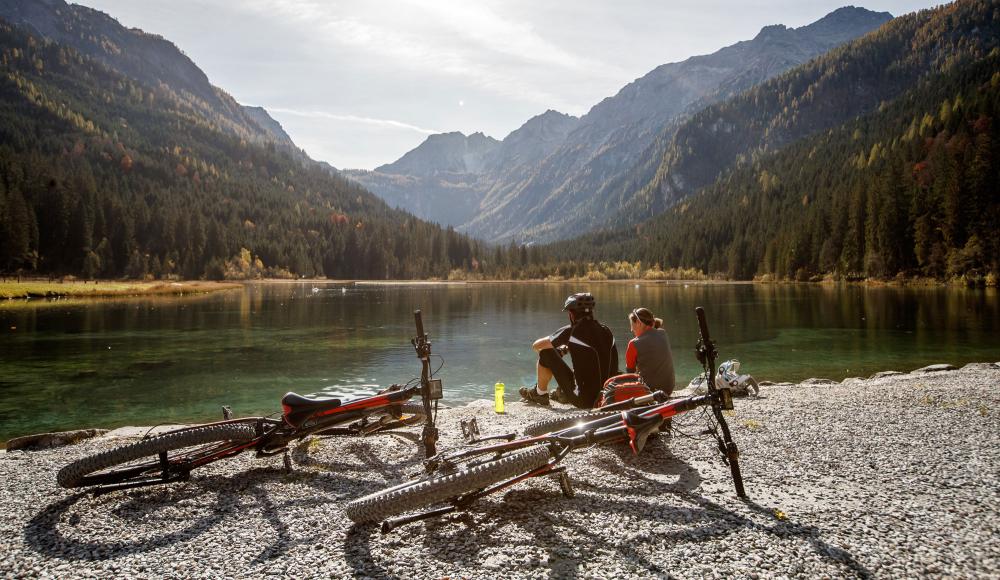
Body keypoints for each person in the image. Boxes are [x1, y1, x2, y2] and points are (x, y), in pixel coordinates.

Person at [519, 292, 618, 408]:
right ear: (591, 312)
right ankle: (562, 394)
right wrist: (570, 348)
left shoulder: (571, 332)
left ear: (571, 314)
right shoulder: (607, 331)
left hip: (584, 400)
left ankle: (540, 394)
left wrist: (561, 350)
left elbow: (537, 345)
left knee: (545, 352)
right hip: (608, 396)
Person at [625, 307, 675, 395]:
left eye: (632, 325)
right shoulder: (663, 333)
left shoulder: (633, 344)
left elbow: (630, 374)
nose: (631, 329)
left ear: (638, 323)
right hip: (668, 389)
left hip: (648, 393)